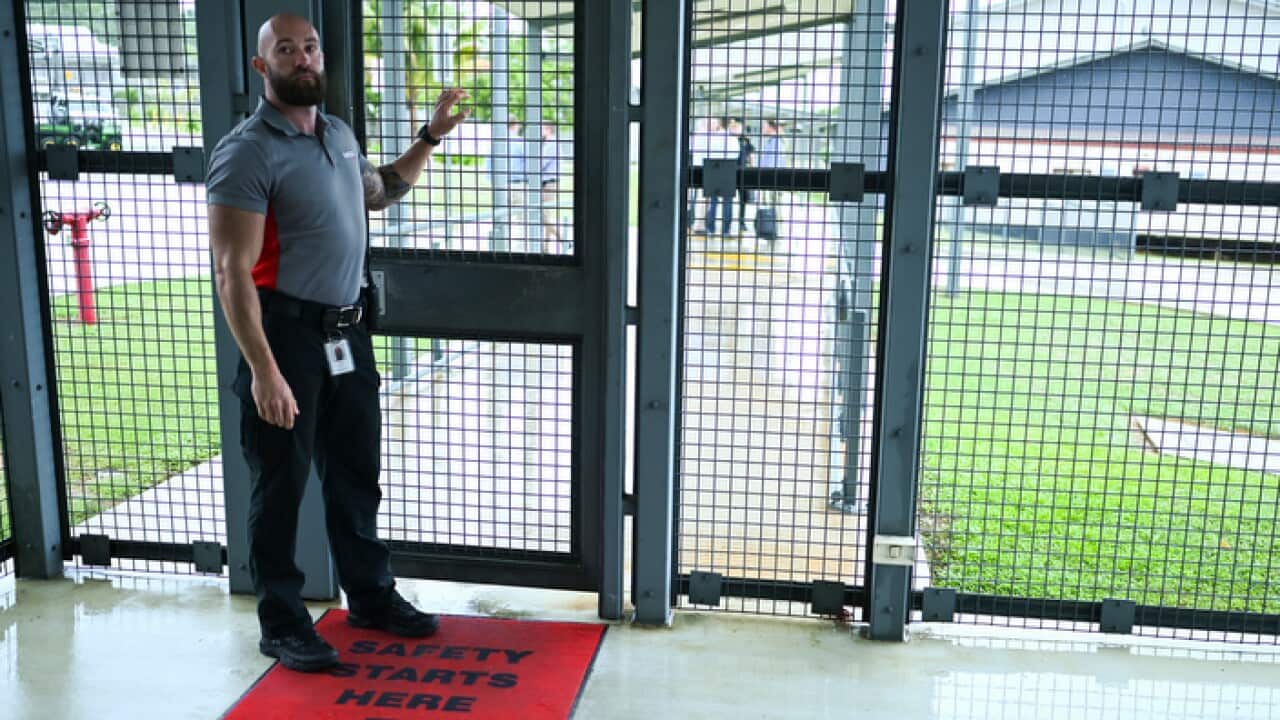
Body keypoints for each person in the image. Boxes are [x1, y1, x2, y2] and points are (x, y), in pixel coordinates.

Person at [205, 12, 470, 674]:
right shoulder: (247, 150)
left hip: (347, 336)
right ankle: (283, 623)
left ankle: (372, 599)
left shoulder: (339, 135)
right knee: (282, 481)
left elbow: (379, 192)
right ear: (262, 68)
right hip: (285, 340)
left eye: (311, 48)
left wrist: (429, 138)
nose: (304, 58)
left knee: (355, 474)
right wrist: (264, 372)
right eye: (286, 50)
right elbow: (230, 270)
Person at [538, 122, 565, 251]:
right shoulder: (550, 144)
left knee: (543, 215)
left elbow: (541, 164)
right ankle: (545, 248)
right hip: (549, 183)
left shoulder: (551, 144)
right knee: (546, 214)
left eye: (541, 128)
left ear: (548, 129)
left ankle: (563, 240)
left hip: (549, 183)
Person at [730, 117, 755, 235]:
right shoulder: (728, 138)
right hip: (730, 170)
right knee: (727, 198)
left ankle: (741, 222)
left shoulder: (745, 140)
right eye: (734, 126)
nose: (736, 128)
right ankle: (727, 224)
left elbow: (751, 155)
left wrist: (752, 169)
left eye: (738, 126)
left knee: (743, 200)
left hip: (743, 172)